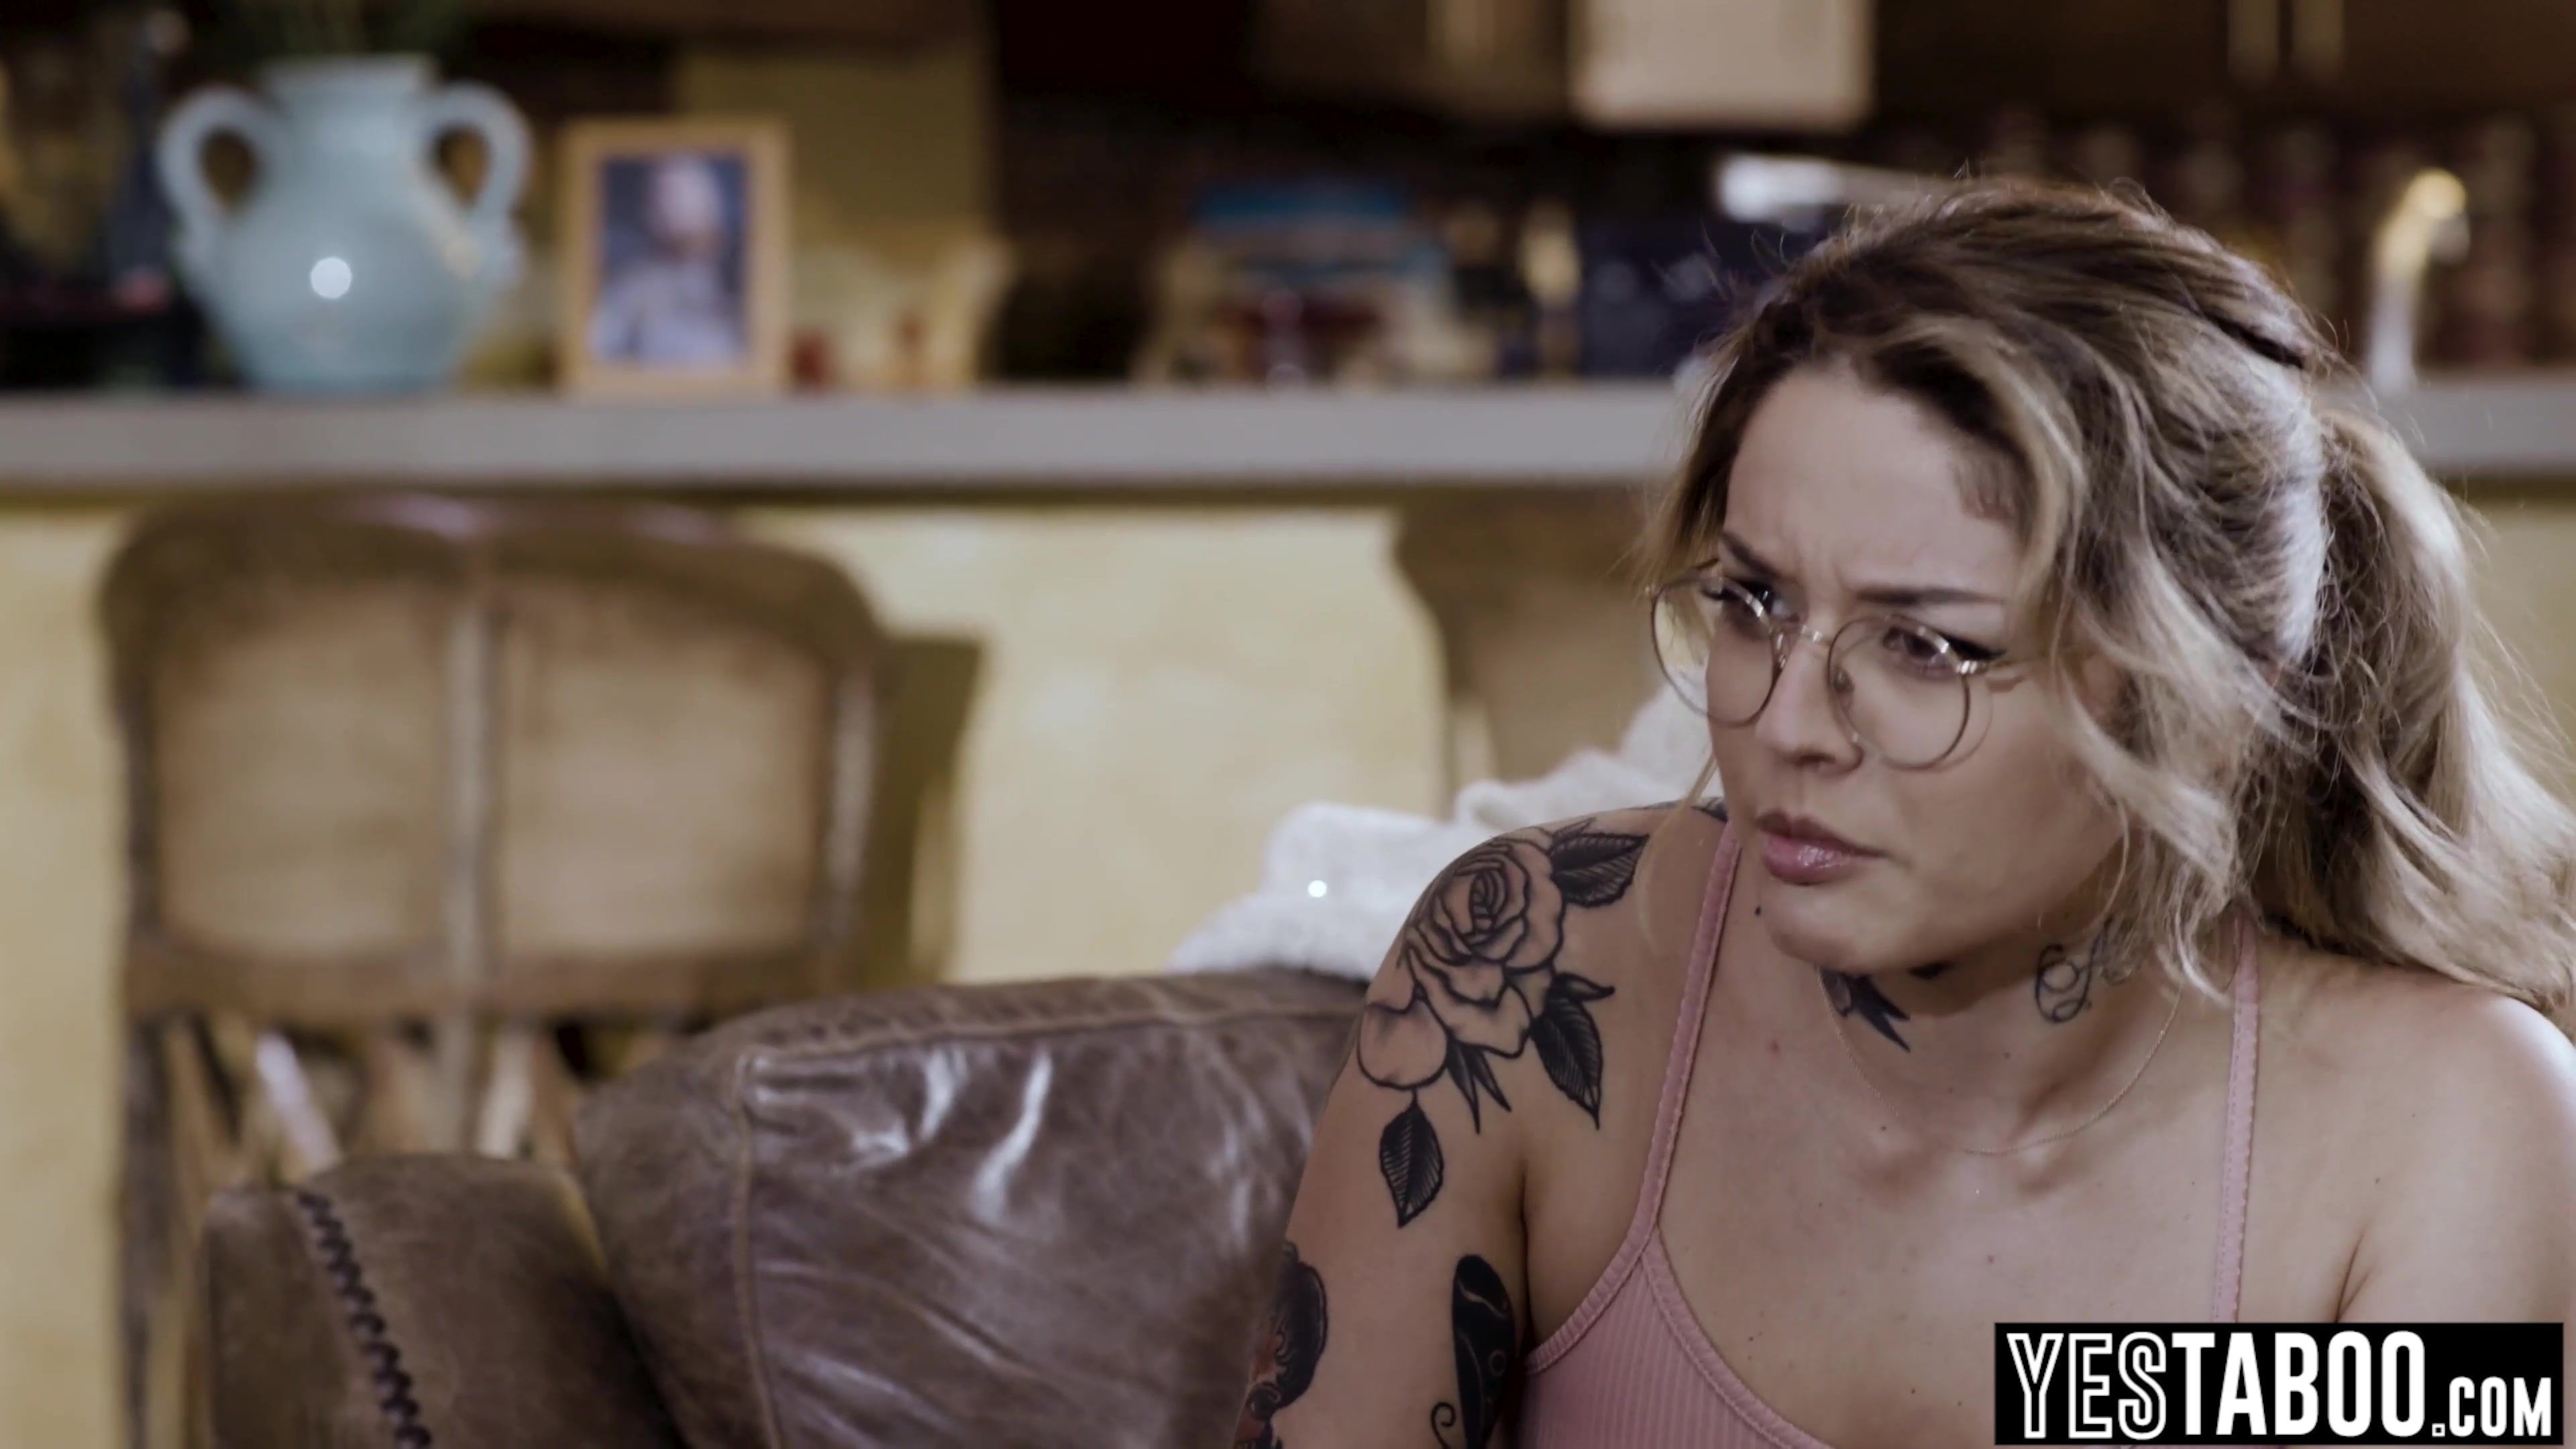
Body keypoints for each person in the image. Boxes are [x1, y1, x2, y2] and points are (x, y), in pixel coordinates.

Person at [1231, 179, 2576, 1448]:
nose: (1788, 723)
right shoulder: (1524, 975)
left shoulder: (2448, 1133)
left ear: (2221, 695)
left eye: (1928, 647)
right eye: (1754, 602)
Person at [588, 154, 745, 368]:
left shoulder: (745, 278)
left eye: (684, 196)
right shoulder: (633, 287)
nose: (674, 211)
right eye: (662, 199)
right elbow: (595, 352)